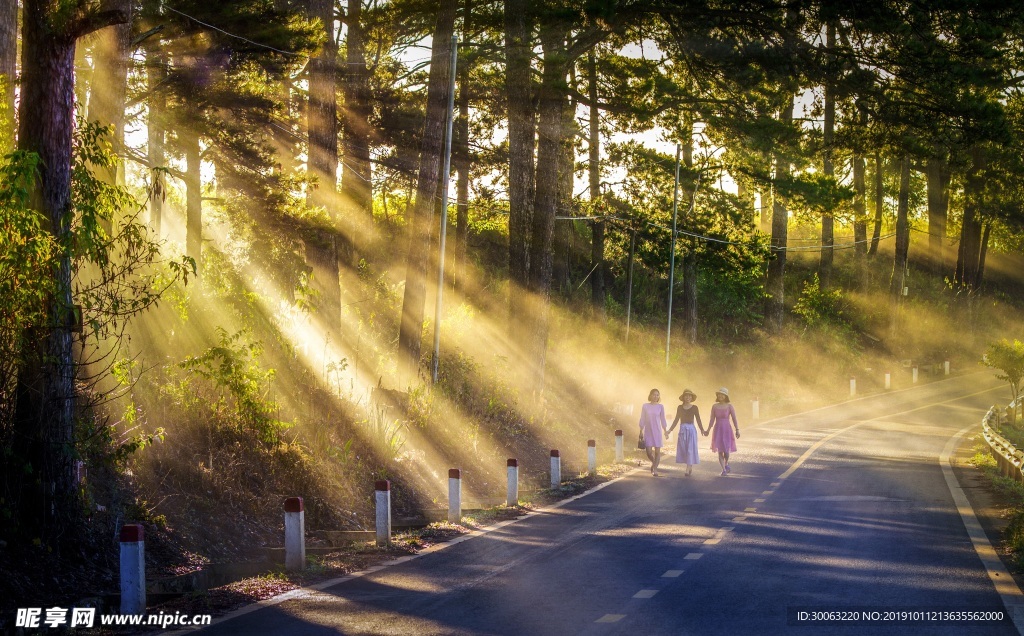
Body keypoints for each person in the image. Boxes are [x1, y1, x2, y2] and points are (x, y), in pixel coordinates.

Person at [667, 389, 704, 476]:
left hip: (691, 429)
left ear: (691, 398)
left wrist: (702, 429)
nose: (688, 397)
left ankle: (688, 467)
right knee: (684, 448)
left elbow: (698, 419)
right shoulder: (680, 407)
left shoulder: (695, 408)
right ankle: (689, 465)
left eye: (689, 396)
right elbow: (676, 419)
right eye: (686, 396)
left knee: (690, 449)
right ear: (683, 397)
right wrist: (670, 430)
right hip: (682, 429)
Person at [708, 387, 740, 476]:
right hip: (717, 429)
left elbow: (734, 418)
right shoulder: (714, 406)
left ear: (725, 396)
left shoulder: (730, 406)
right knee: (719, 450)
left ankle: (726, 463)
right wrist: (708, 429)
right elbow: (711, 419)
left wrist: (737, 429)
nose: (720, 396)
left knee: (726, 451)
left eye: (722, 394)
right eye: (719, 394)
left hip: (727, 430)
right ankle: (723, 470)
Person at [639, 388, 669, 476]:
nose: (656, 396)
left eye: (657, 395)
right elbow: (642, 418)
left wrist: (665, 431)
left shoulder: (660, 406)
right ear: (650, 395)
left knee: (657, 452)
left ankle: (655, 469)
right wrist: (641, 430)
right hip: (648, 431)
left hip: (657, 431)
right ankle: (653, 462)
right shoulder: (645, 406)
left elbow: (663, 419)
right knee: (648, 452)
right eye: (654, 394)